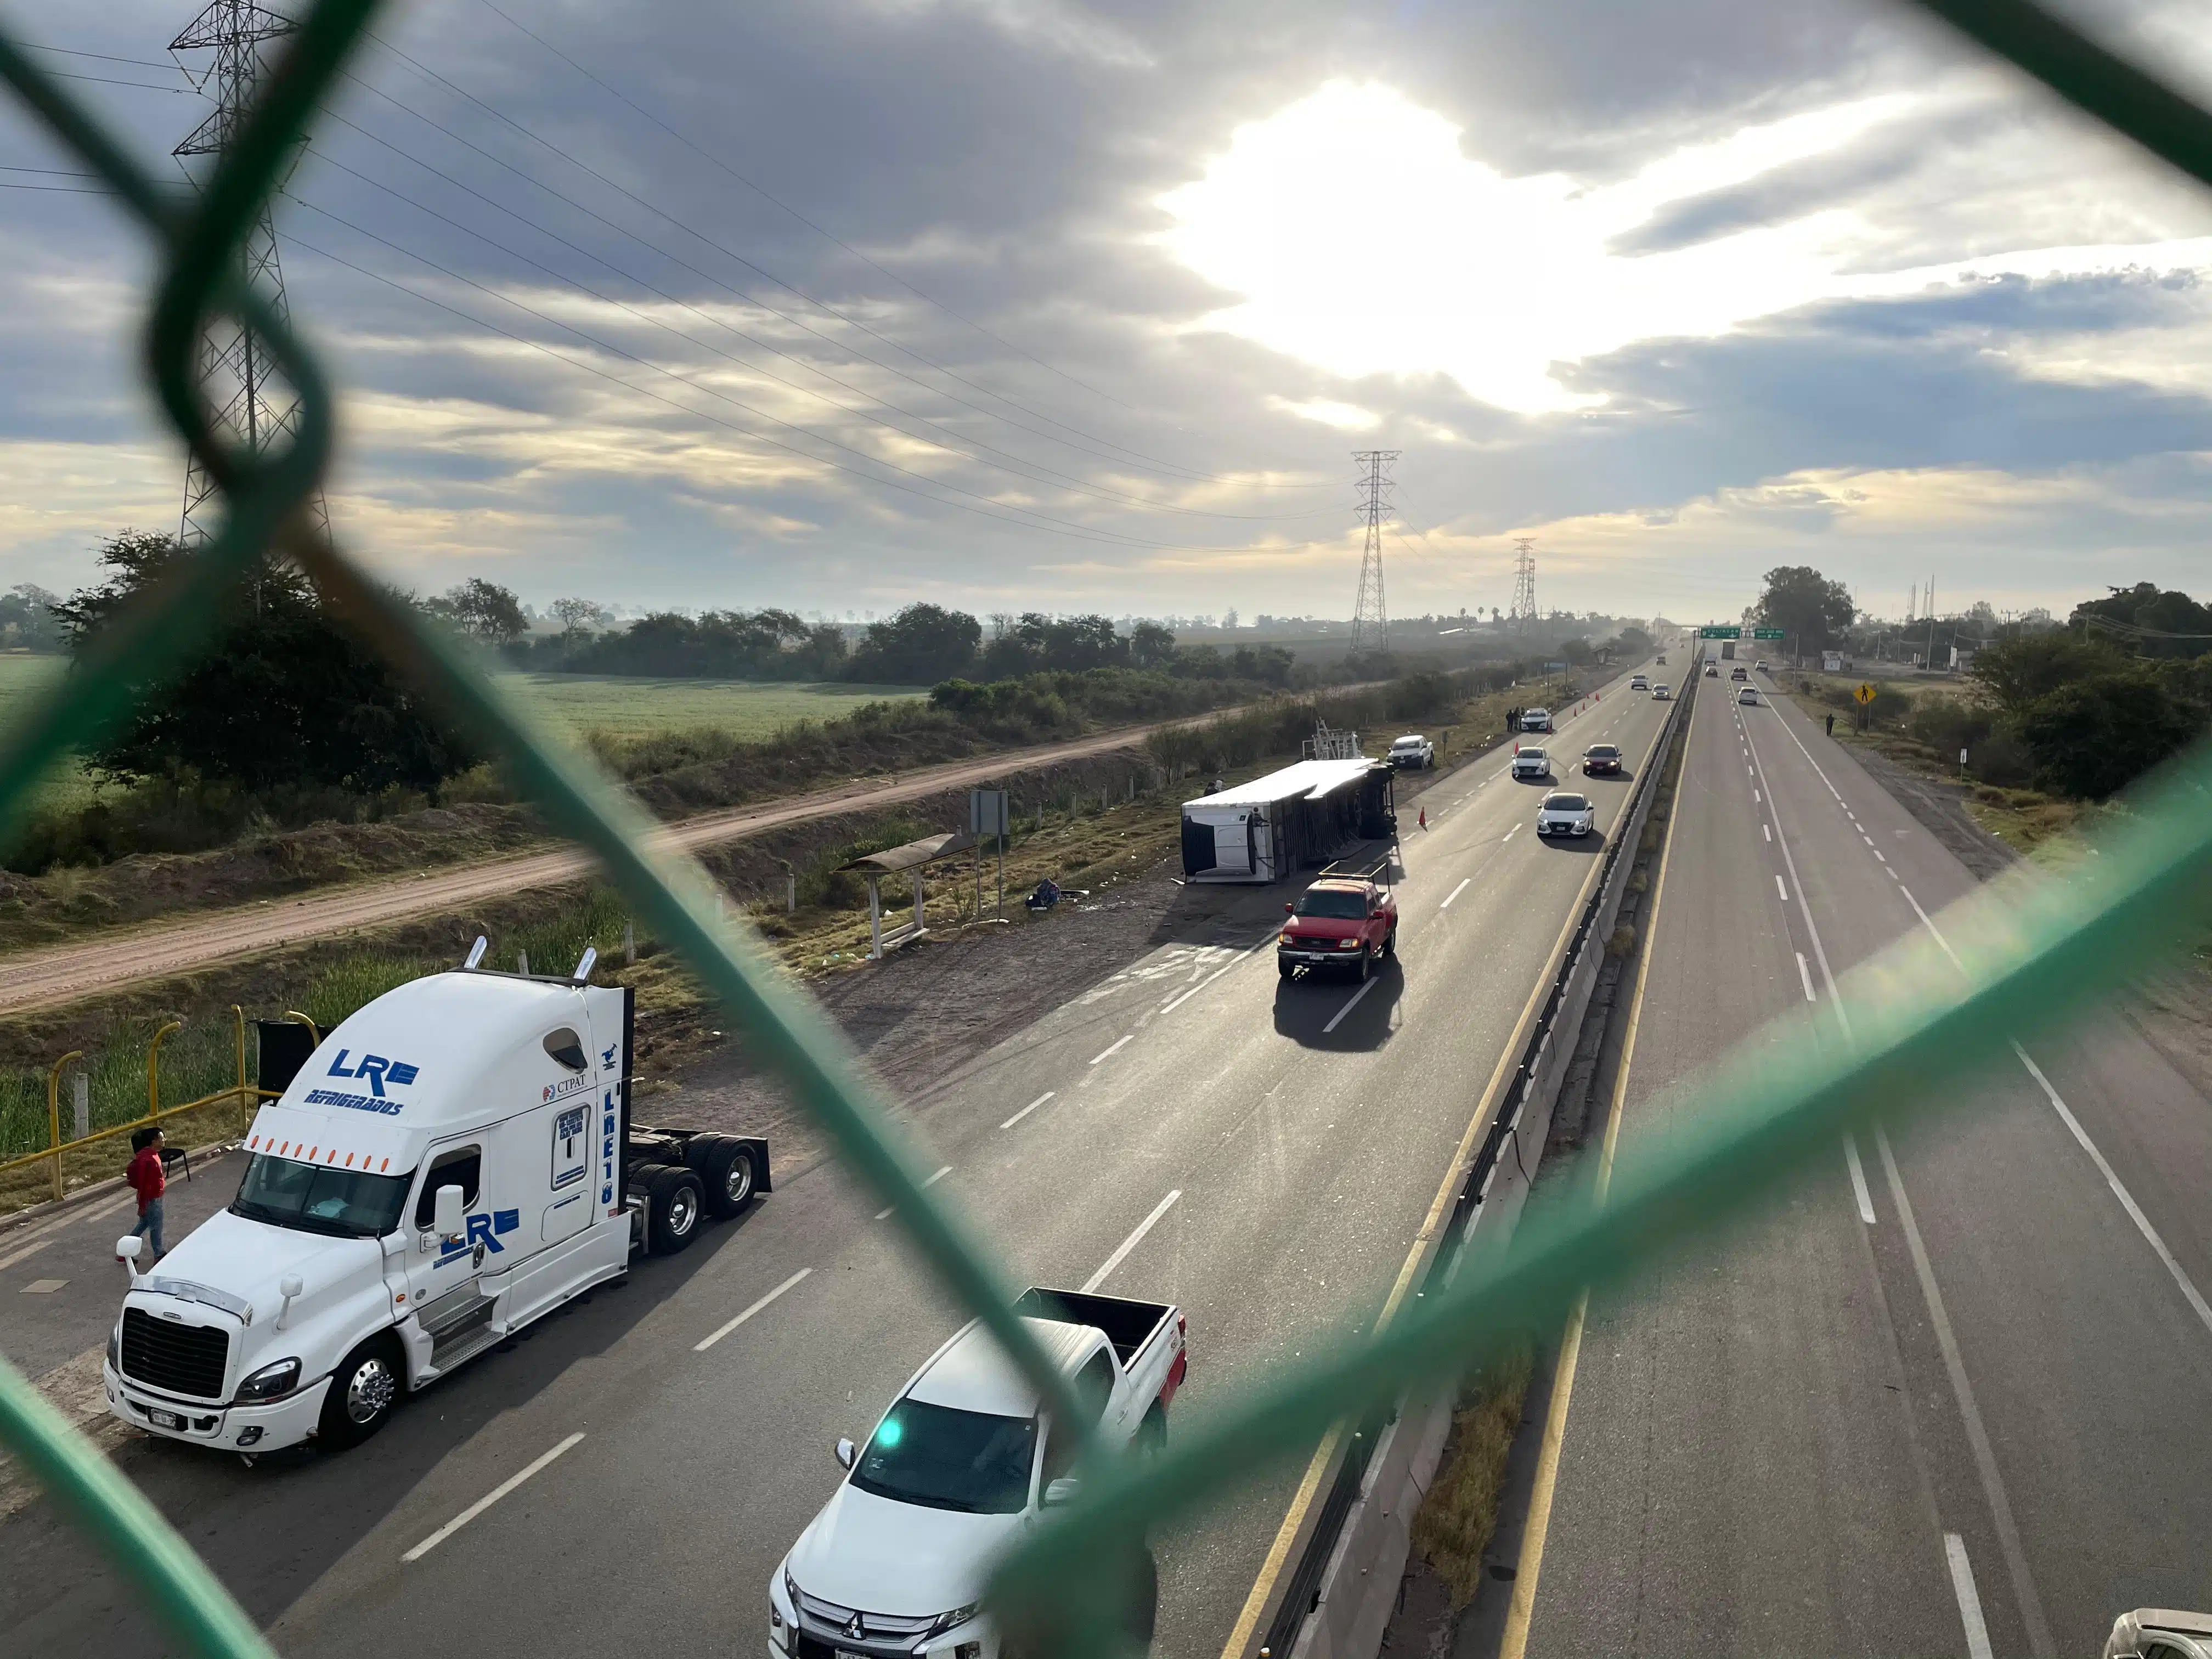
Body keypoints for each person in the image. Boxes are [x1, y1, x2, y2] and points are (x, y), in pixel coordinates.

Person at [122, 1127, 167, 1265]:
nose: (164, 1141)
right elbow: (144, 1184)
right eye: (161, 1138)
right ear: (153, 1141)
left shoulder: (149, 1155)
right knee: (156, 1226)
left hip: (148, 1198)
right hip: (152, 1199)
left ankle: (124, 1253)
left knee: (144, 1224)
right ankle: (159, 1253)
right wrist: (143, 1203)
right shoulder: (149, 1159)